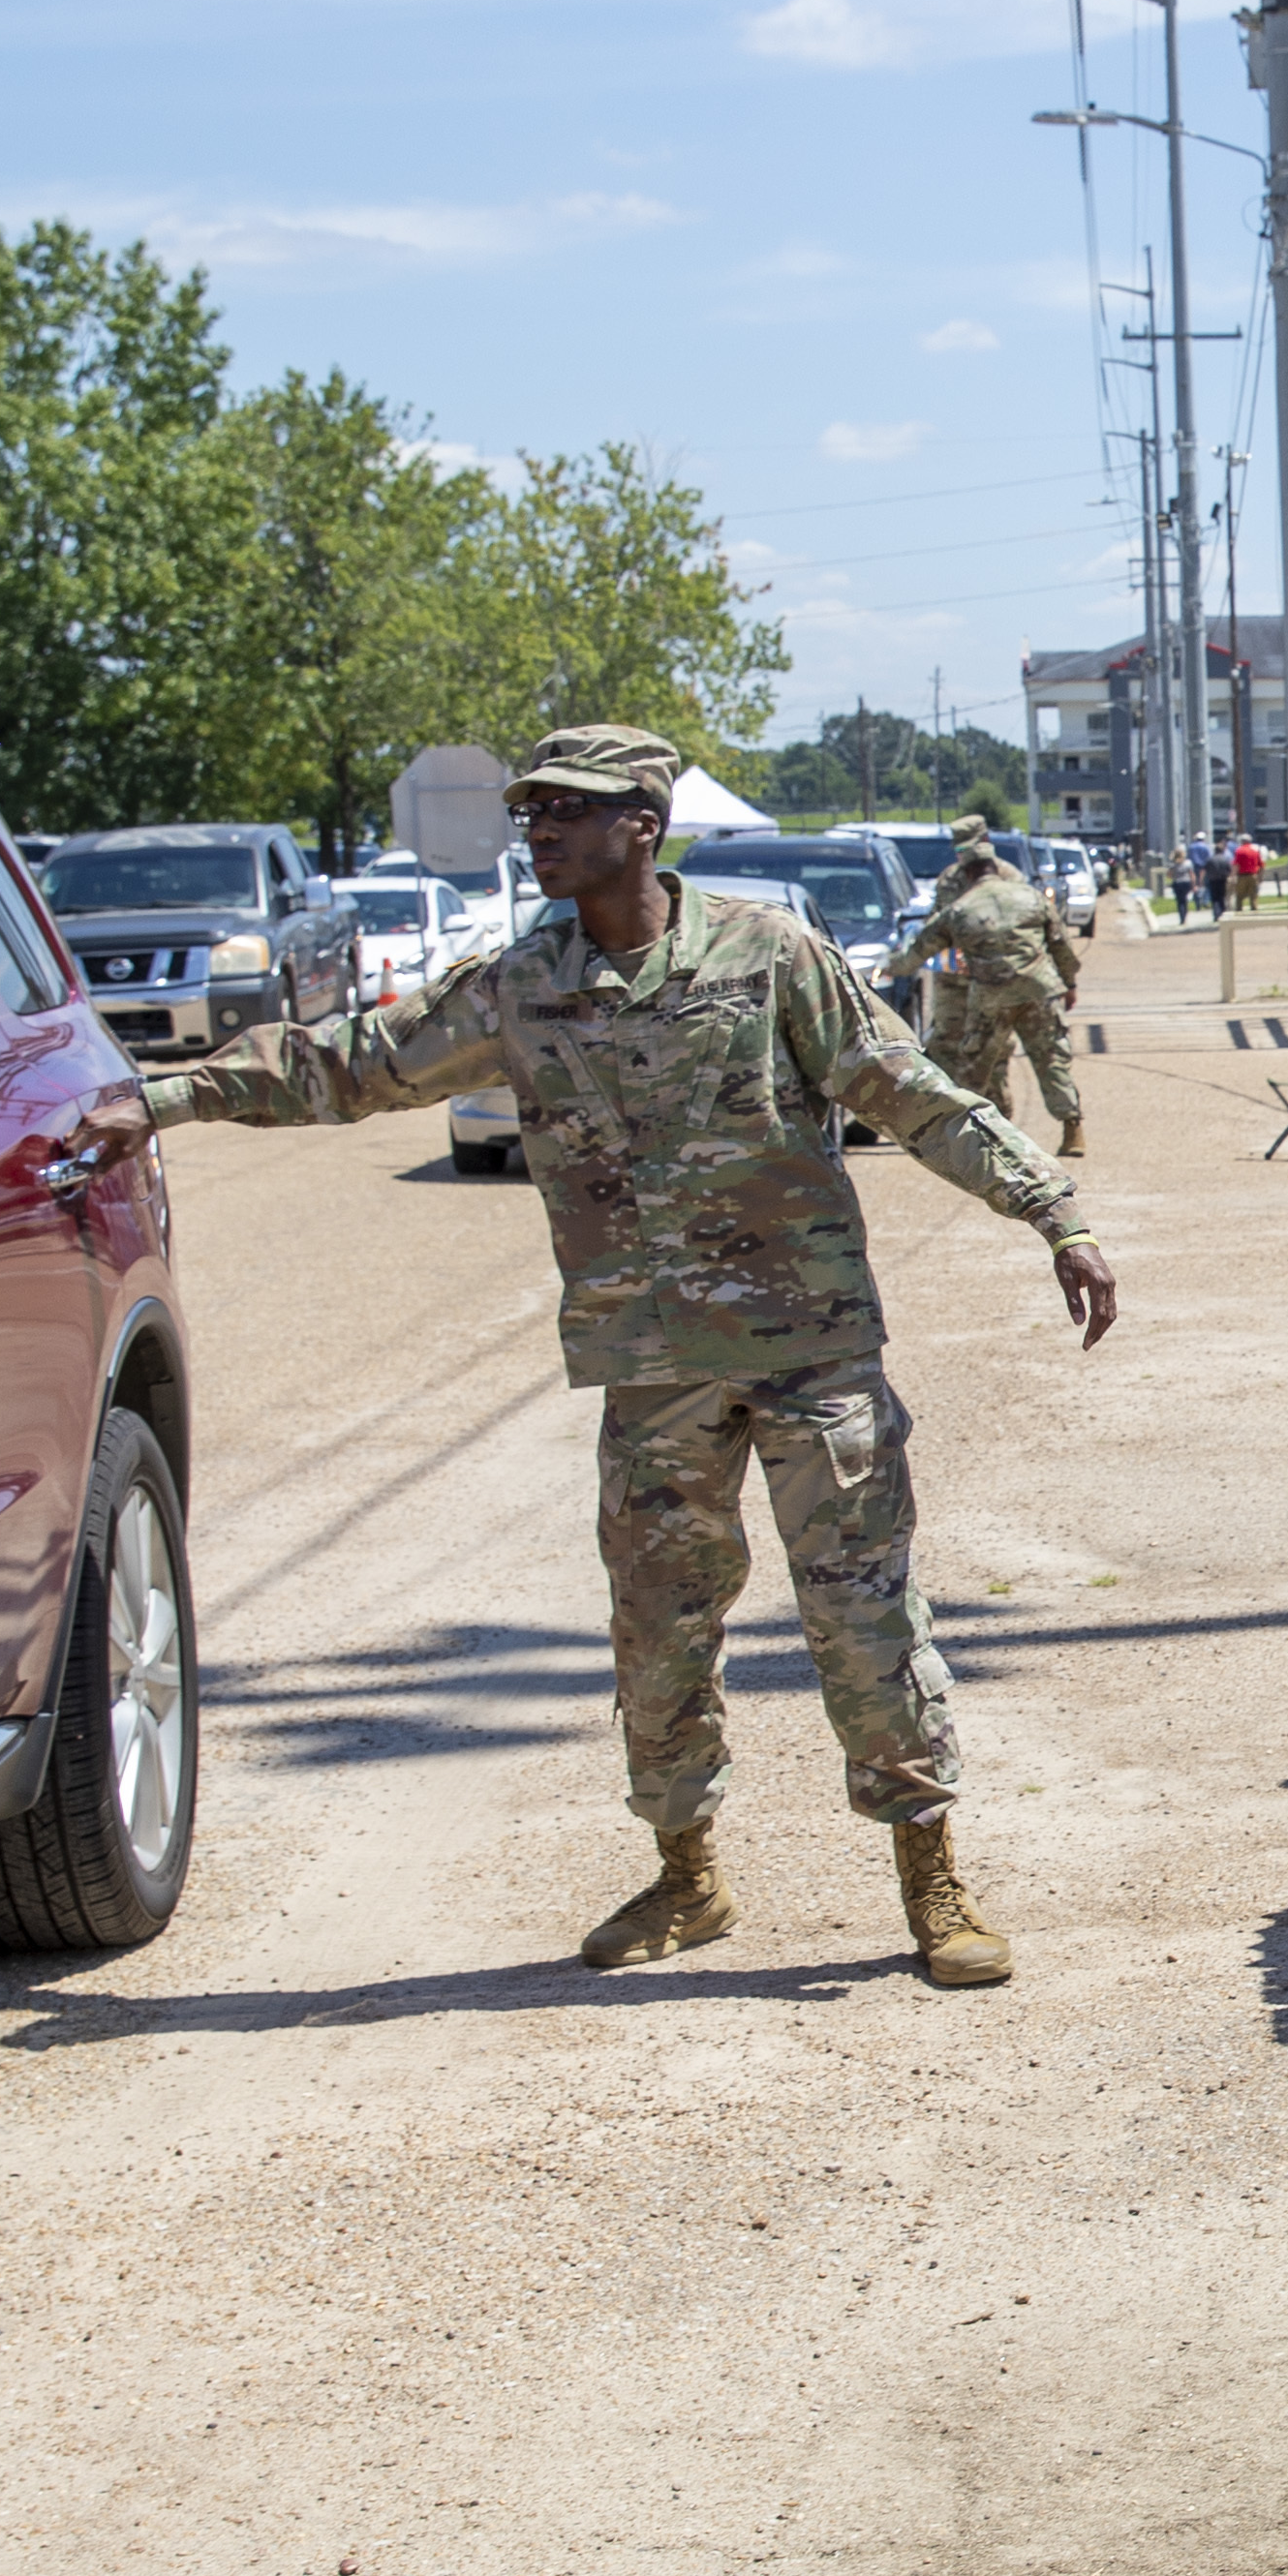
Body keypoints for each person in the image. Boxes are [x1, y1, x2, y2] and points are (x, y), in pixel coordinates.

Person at [134, 726, 1117, 1991]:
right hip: (652, 1371)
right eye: (527, 809)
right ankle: (687, 1878)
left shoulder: (769, 959)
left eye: (565, 810)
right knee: (657, 1633)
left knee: (864, 1621)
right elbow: (349, 1070)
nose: (535, 830)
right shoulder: (522, 985)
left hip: (811, 1355)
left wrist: (1054, 1214)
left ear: (641, 824)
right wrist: (161, 1098)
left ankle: (931, 1878)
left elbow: (911, 1093)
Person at [916, 816, 1088, 1156]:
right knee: (951, 1048)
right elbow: (939, 925)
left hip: (1000, 979)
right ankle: (964, 1125)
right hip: (957, 980)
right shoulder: (949, 881)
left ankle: (1032, 1123)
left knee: (1010, 1053)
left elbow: (1027, 928)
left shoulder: (1010, 877)